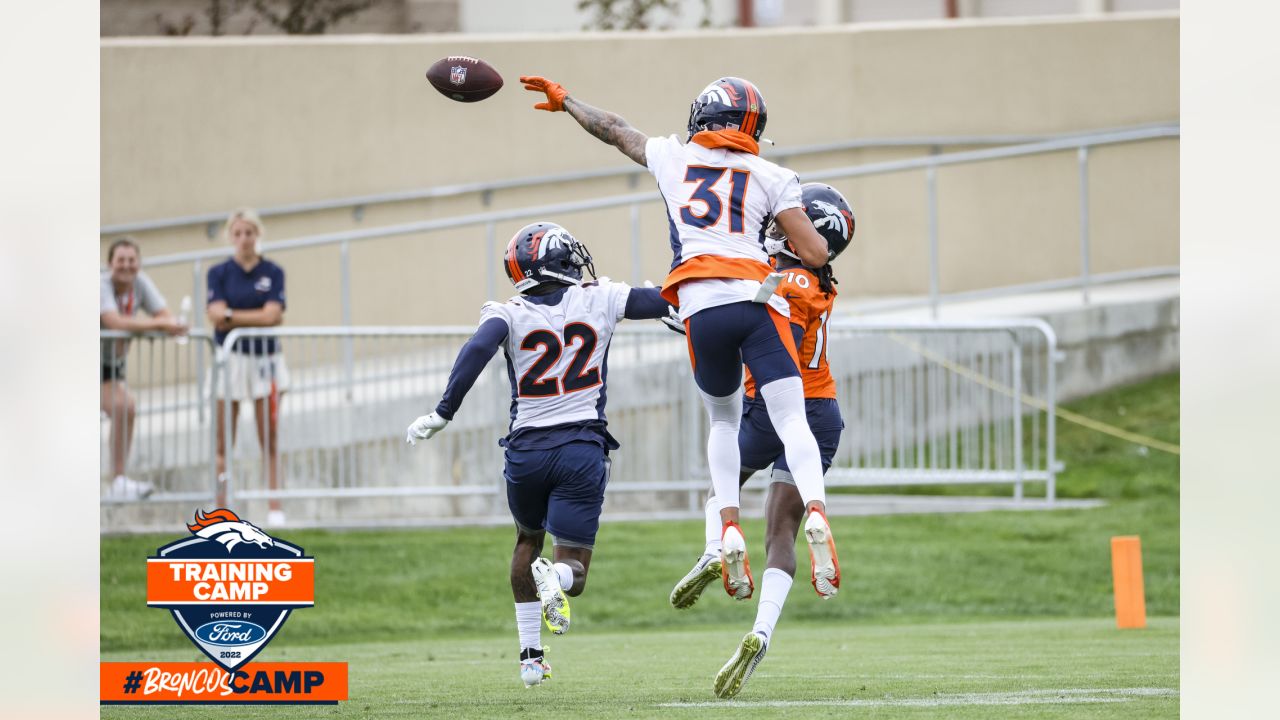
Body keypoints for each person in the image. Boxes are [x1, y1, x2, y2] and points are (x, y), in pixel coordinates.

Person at [519, 76, 840, 612]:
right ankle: (817, 511)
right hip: (757, 303)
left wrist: (567, 100)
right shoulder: (772, 175)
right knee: (792, 421)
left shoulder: (672, 156)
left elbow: (616, 131)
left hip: (701, 308)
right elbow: (812, 251)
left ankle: (728, 527)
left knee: (722, 421)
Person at [405, 222, 675, 688]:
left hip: (526, 451)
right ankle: (558, 579)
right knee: (574, 570)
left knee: (526, 542)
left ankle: (531, 657)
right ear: (558, 260)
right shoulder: (600, 297)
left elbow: (477, 349)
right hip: (580, 447)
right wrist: (672, 298)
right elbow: (668, 301)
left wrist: (443, 411)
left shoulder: (506, 312)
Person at [667, 184, 856, 699]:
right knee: (783, 534)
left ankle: (714, 548)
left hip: (771, 409)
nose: (779, 227)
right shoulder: (819, 279)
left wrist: (694, 320)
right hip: (824, 413)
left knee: (720, 489)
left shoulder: (782, 280)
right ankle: (761, 633)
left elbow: (758, 334)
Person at [206, 208, 289, 527]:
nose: (244, 239)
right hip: (230, 361)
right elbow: (214, 313)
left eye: (249, 233)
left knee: (269, 436)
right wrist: (247, 316)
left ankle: (275, 507)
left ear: (258, 235)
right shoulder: (219, 273)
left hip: (265, 360)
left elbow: (273, 316)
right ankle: (221, 509)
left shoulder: (273, 271)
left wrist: (231, 316)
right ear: (231, 236)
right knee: (223, 440)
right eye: (238, 233)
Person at [100, 236, 187, 499]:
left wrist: (164, 323)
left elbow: (165, 315)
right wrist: (155, 326)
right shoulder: (101, 285)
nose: (126, 265)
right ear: (109, 264)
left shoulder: (140, 283)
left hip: (109, 368)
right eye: (120, 260)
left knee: (126, 407)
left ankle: (118, 480)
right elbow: (113, 322)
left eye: (131, 260)